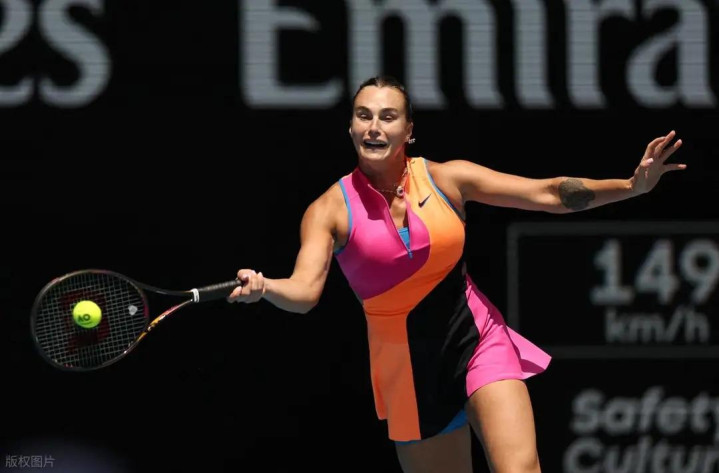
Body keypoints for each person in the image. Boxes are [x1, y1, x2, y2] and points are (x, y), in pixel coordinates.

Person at [227, 76, 685, 473]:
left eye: (388, 117)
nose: (374, 126)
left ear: (409, 130)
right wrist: (266, 287)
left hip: (477, 339)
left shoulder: (447, 179)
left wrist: (631, 187)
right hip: (409, 373)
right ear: (350, 127)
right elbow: (305, 291)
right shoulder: (329, 210)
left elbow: (547, 194)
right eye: (363, 116)